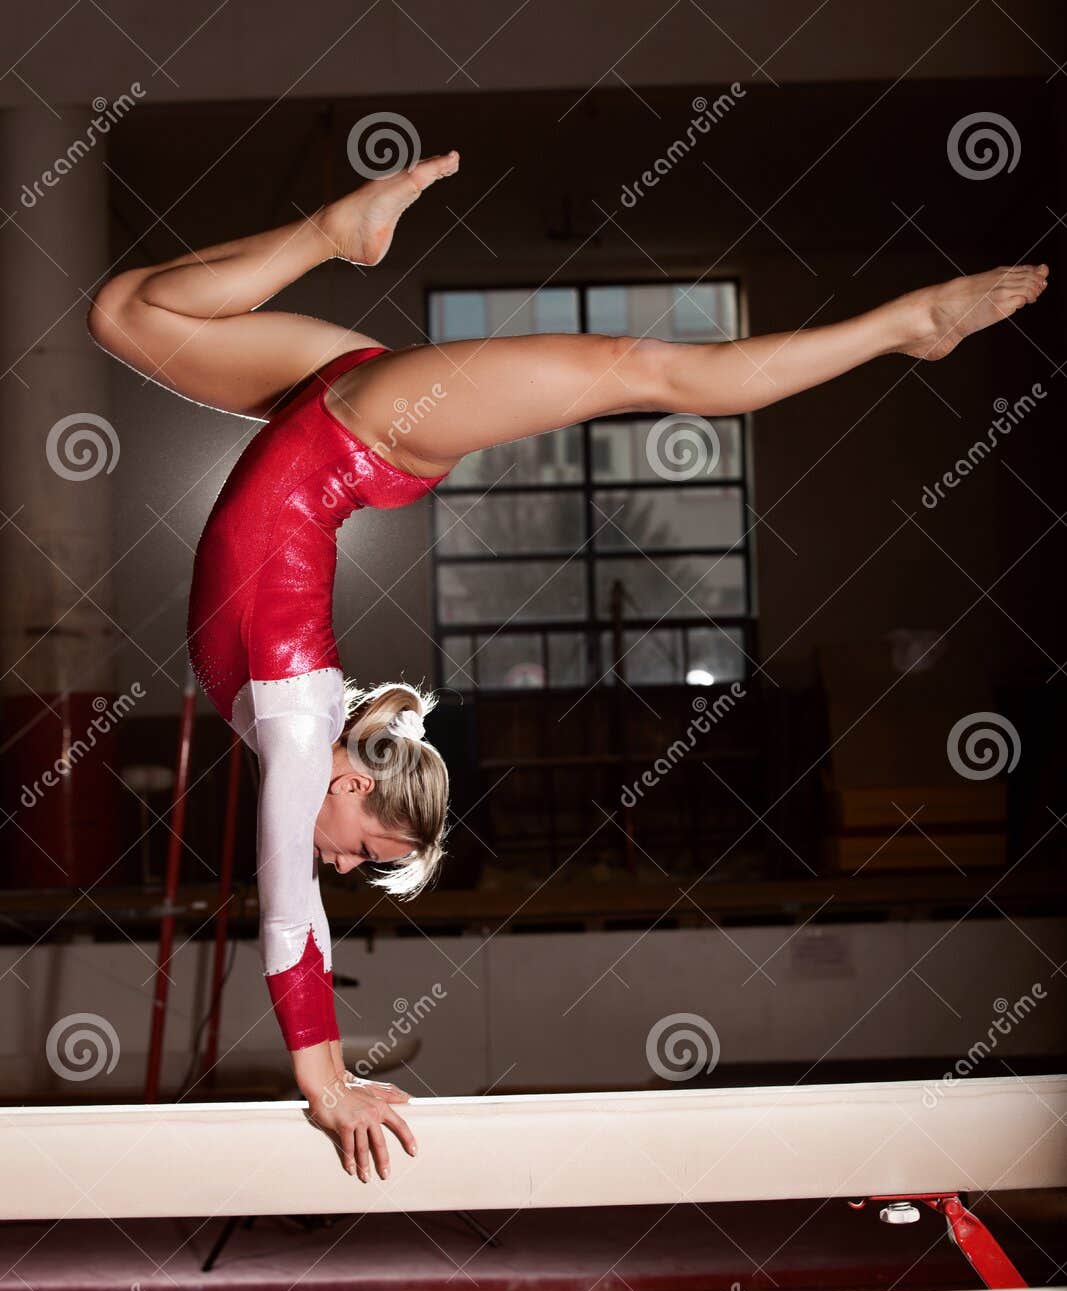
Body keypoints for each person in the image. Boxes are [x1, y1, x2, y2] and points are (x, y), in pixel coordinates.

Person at [86, 149, 1049, 1178]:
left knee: (121, 314)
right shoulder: (293, 731)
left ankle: (334, 232)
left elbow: (292, 895)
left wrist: (322, 1070)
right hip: (364, 428)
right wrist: (324, 1082)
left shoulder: (297, 730)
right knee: (653, 374)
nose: (343, 866)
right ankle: (907, 327)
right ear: (354, 781)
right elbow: (291, 909)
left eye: (359, 865)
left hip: (326, 417)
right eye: (367, 851)